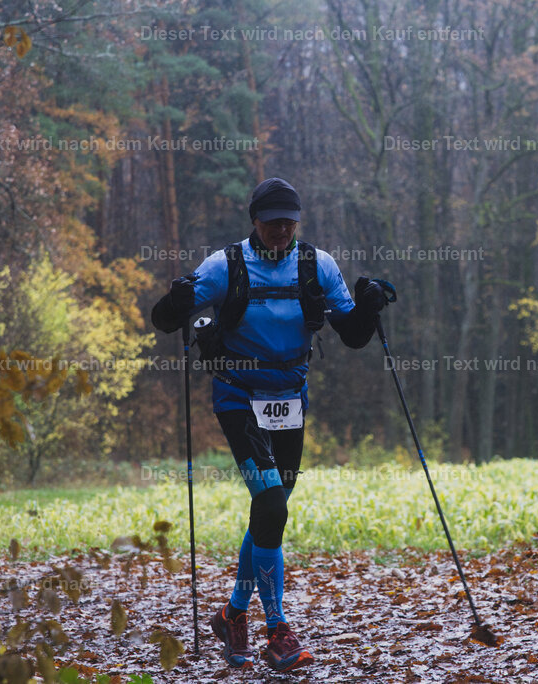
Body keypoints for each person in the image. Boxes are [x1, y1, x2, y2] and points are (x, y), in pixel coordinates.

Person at [150, 177, 389, 672]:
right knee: (272, 503)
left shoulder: (317, 266)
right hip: (238, 397)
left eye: (290, 222)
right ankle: (277, 630)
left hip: (289, 399)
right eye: (273, 222)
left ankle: (232, 615)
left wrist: (368, 305)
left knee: (269, 512)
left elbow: (353, 334)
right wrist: (178, 302)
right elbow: (165, 319)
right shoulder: (226, 266)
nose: (282, 230)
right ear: (255, 221)